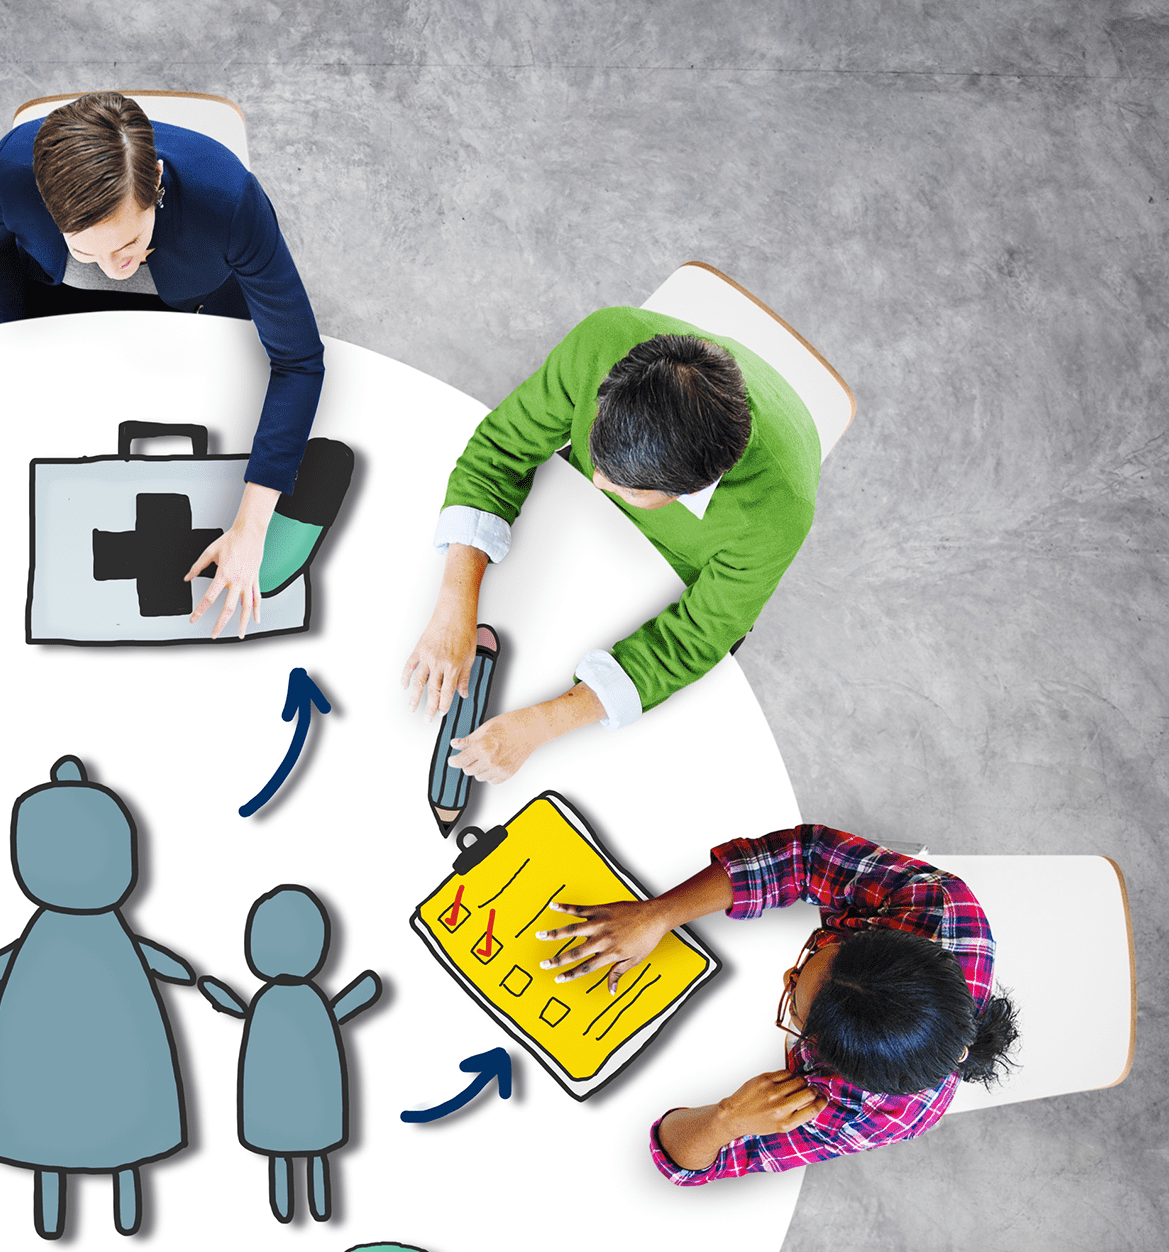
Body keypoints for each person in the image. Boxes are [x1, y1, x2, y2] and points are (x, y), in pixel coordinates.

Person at [0, 92, 328, 639]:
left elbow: (299, 361)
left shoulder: (228, 202)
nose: (115, 269)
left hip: (196, 309)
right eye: (89, 252)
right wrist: (20, 342)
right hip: (59, 306)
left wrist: (253, 528)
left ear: (156, 179)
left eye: (131, 242)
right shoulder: (10, 171)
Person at [403, 308, 822, 782]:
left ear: (690, 491)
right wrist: (455, 604)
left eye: (627, 487)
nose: (596, 479)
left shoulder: (779, 513)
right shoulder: (602, 341)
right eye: (597, 457)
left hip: (668, 582)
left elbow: (692, 641)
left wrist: (541, 724)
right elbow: (500, 453)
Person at [532, 824, 1016, 1183]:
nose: (788, 973)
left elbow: (682, 1162)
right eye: (816, 957)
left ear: (826, 1058)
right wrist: (659, 914)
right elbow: (805, 857)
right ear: (878, 935)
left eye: (797, 1007)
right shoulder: (940, 907)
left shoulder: (858, 1113)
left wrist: (727, 1118)